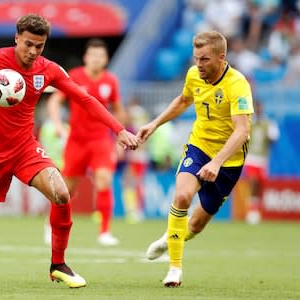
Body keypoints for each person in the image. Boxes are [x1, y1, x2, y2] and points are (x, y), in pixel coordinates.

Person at [0, 14, 139, 288]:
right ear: (17, 37)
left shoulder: (49, 70)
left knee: (62, 194)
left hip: (24, 149)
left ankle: (58, 264)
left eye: (39, 46)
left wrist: (119, 129)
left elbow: (85, 99)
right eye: (28, 44)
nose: (33, 51)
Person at [137, 31, 253, 287]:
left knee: (197, 224)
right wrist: (154, 124)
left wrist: (218, 162)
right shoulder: (193, 75)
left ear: (221, 58)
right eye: (196, 59)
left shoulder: (237, 84)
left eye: (204, 60)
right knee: (181, 197)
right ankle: (175, 269)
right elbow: (183, 100)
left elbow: (242, 130)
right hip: (199, 148)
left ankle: (170, 239)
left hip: (229, 160)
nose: (198, 65)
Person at [46, 38, 127, 246]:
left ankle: (105, 231)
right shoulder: (74, 76)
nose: (96, 59)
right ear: (86, 58)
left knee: (104, 180)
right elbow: (55, 101)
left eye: (100, 56)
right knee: (67, 189)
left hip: (101, 140)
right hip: (76, 141)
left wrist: (119, 139)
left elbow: (119, 110)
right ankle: (51, 225)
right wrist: (57, 124)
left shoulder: (111, 81)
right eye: (92, 55)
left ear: (106, 59)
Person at [243, 101, 279, 224]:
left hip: (263, 159)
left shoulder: (268, 123)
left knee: (259, 185)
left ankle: (256, 210)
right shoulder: (249, 122)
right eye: (256, 107)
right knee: (253, 181)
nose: (258, 109)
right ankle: (251, 211)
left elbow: (274, 138)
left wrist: (269, 136)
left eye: (259, 107)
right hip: (251, 157)